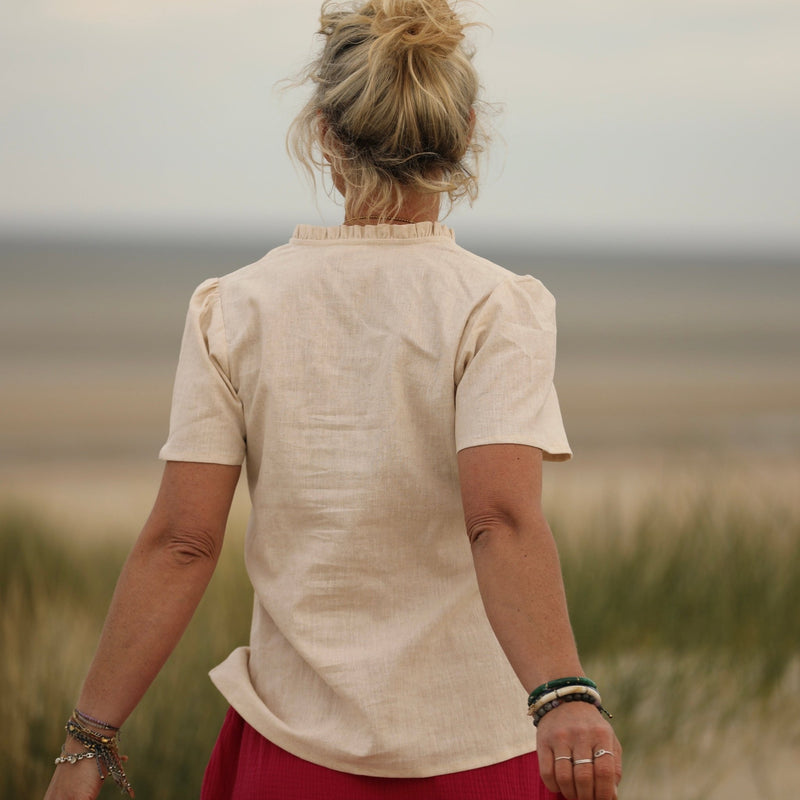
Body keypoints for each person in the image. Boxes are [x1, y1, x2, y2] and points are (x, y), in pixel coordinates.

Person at [44, 1, 622, 799]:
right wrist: (562, 693)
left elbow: (182, 541)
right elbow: (499, 519)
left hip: (290, 751)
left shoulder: (234, 308)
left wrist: (88, 740)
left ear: (324, 132)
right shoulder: (495, 306)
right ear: (466, 129)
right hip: (477, 749)